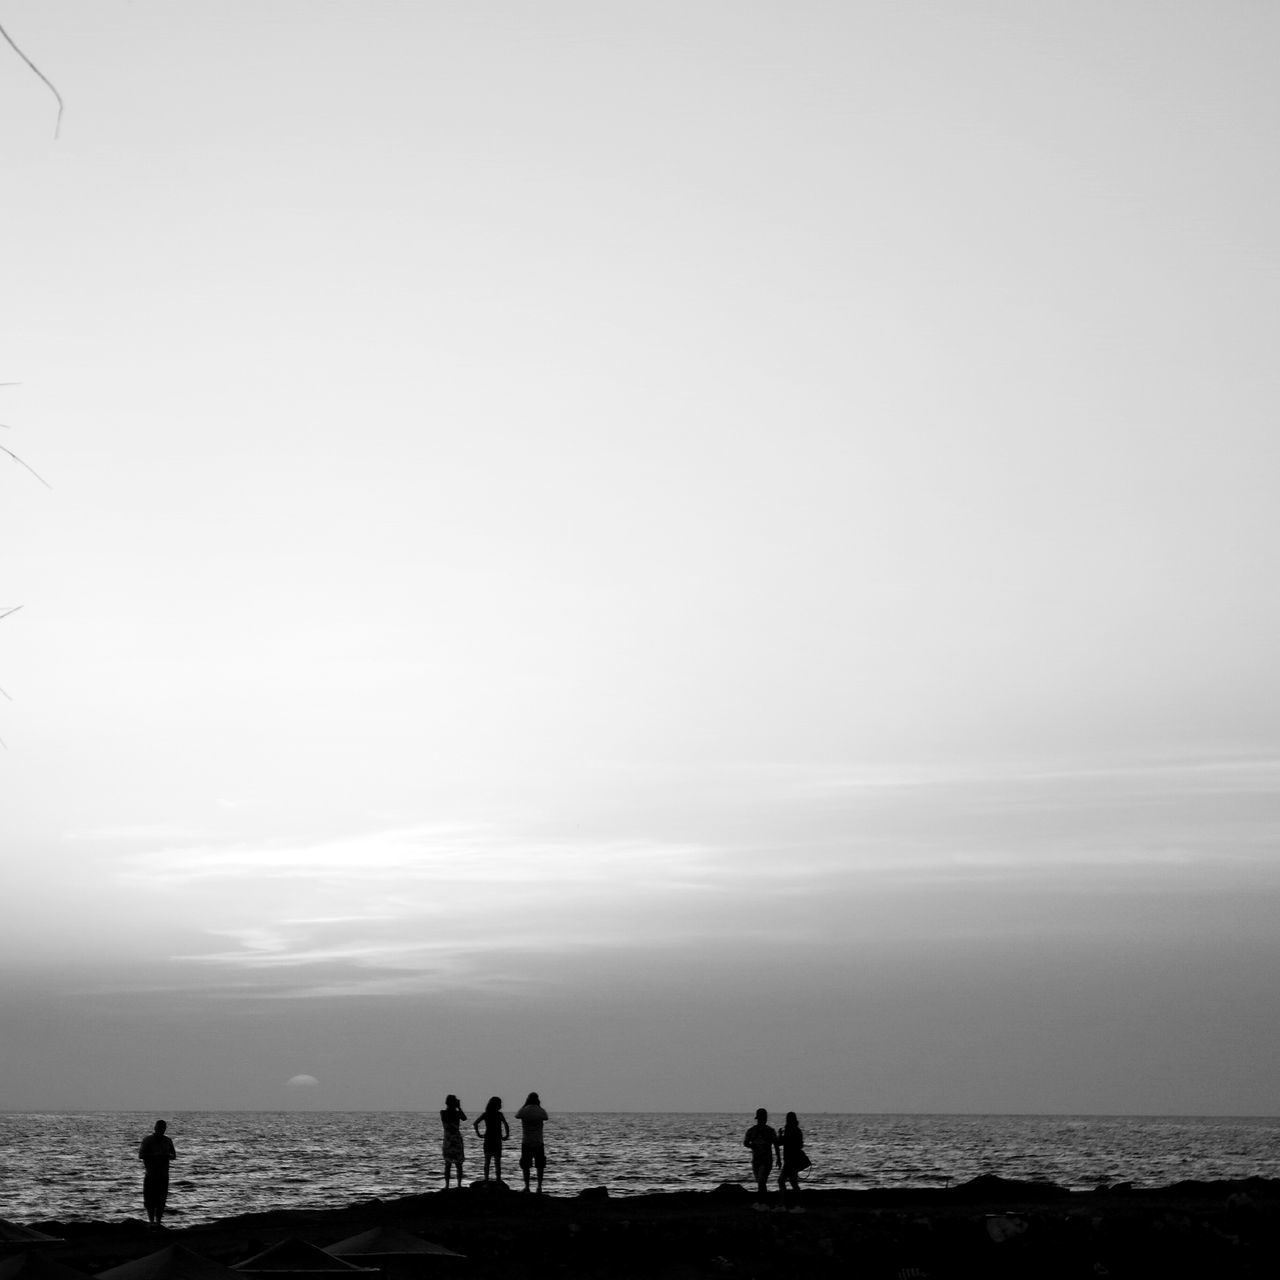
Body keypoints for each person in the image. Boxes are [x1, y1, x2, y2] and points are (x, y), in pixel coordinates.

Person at [138, 1119, 177, 1228]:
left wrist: (166, 1155)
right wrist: (155, 1155)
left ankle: (158, 1222)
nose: (161, 1130)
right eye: (159, 1128)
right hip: (151, 1174)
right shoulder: (147, 1140)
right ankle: (151, 1222)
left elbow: (174, 1155)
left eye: (163, 1128)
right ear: (155, 1128)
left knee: (161, 1200)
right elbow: (141, 1155)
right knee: (149, 1199)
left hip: (163, 1175)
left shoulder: (168, 1141)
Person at [514, 1091, 549, 1193]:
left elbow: (517, 1115)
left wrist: (524, 1105)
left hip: (526, 1141)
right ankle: (539, 1186)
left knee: (525, 1166)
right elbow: (546, 1117)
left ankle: (527, 1186)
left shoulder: (524, 1110)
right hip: (538, 1141)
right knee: (540, 1166)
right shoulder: (541, 1110)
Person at [473, 1096, 510, 1183]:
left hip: (489, 1139)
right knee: (497, 1162)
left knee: (487, 1161)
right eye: (500, 1103)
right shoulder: (499, 1114)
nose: (501, 1105)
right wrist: (506, 1135)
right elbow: (505, 1124)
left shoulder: (486, 1114)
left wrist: (478, 1134)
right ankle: (498, 1180)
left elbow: (475, 1123)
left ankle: (486, 1179)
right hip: (496, 1139)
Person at [742, 1108, 778, 1197]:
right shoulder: (752, 1131)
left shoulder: (770, 1131)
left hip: (766, 1160)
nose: (762, 1121)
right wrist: (752, 1146)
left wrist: (779, 1159)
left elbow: (776, 1145)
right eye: (760, 1119)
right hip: (756, 1160)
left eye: (763, 1119)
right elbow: (745, 1143)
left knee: (762, 1180)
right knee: (760, 1182)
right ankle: (763, 1201)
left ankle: (763, 1202)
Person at [777, 1111, 808, 1196]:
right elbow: (800, 1145)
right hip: (793, 1160)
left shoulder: (789, 1130)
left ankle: (785, 1203)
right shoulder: (797, 1130)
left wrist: (780, 1135)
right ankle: (795, 1204)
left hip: (790, 1160)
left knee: (782, 1181)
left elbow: (780, 1142)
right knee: (792, 1182)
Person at [440, 1094, 467, 1189]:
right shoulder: (454, 1113)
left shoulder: (443, 1112)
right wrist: (459, 1107)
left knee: (448, 1164)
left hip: (448, 1139)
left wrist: (458, 1108)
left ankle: (447, 1185)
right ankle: (458, 1185)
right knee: (458, 1164)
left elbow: (464, 1118)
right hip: (455, 1139)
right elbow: (464, 1118)